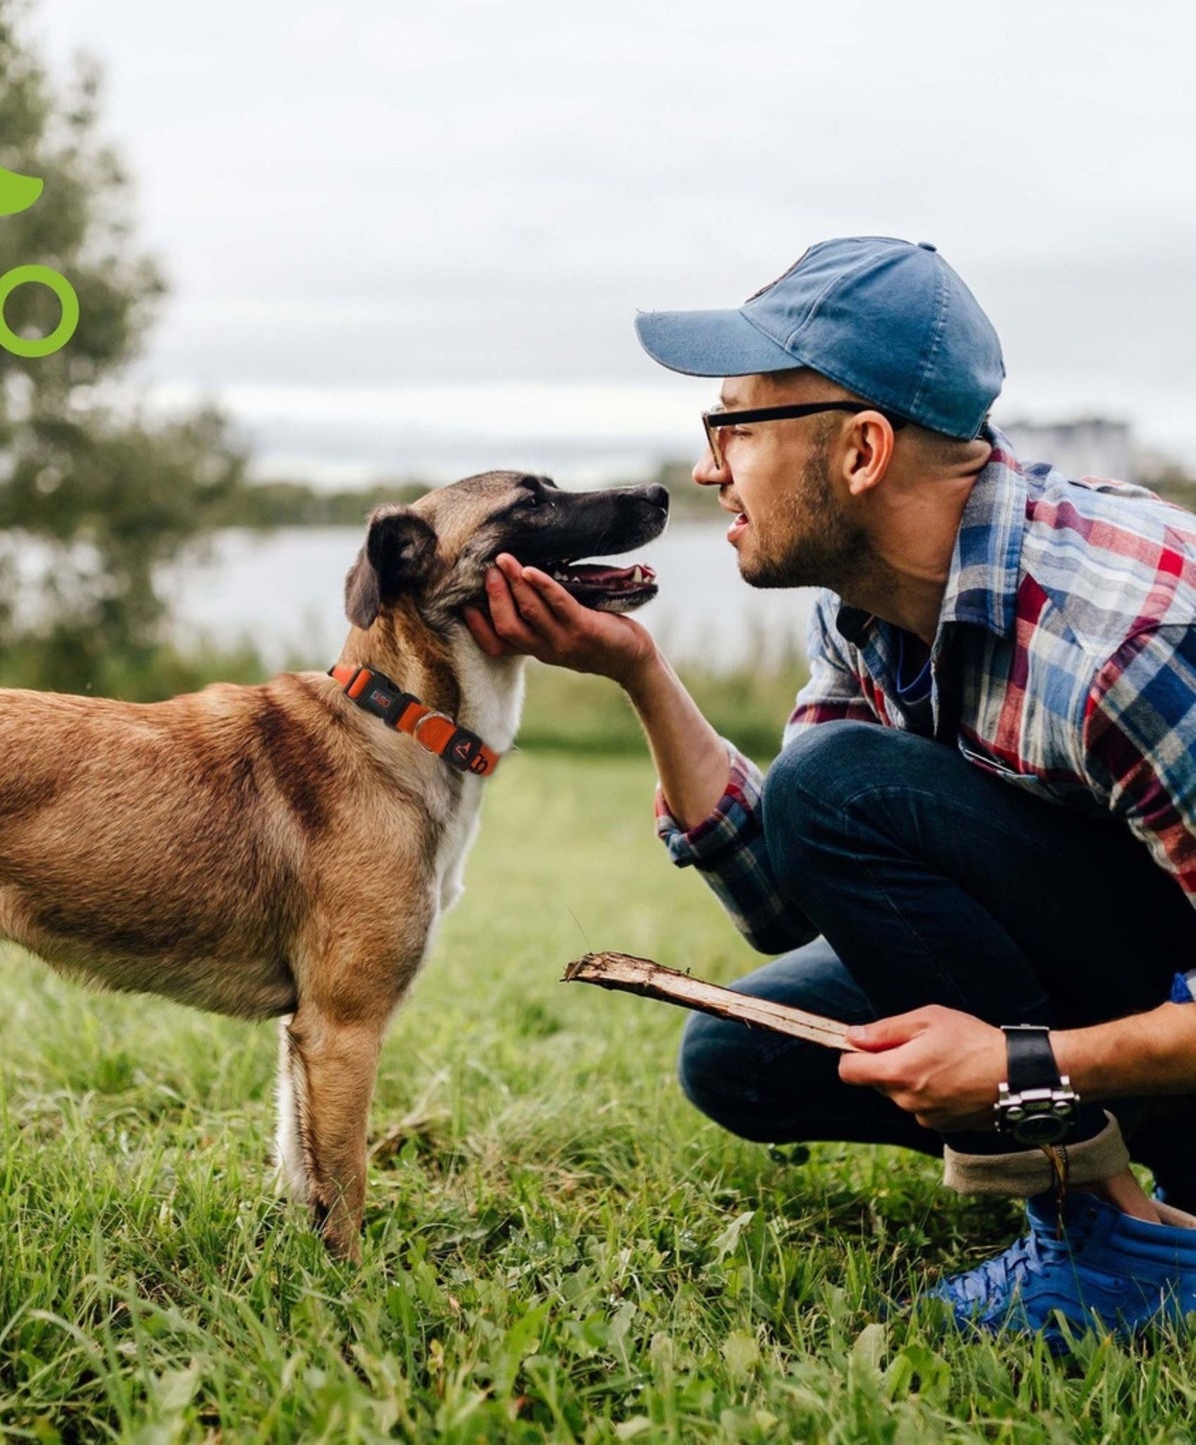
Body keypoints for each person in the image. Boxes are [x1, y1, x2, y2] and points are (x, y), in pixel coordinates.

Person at [464, 236, 1196, 1345]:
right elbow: (789, 891)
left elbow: (826, 801)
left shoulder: (1127, 639)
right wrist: (638, 671)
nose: (707, 468)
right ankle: (1131, 1167)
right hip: (1137, 967)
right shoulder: (867, 601)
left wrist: (1019, 1063)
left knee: (833, 780)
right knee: (745, 1058)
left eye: (734, 427)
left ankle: (1109, 1236)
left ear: (860, 450)